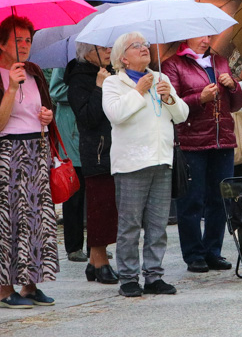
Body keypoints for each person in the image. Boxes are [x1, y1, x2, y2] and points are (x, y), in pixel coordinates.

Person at [0, 16, 58, 309]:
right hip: (9, 150)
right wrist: (10, 88)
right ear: (2, 44)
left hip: (37, 146)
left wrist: (47, 116)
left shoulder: (34, 72)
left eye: (28, 40)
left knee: (39, 218)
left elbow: (43, 109)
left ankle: (31, 284)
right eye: (18, 40)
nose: (24, 46)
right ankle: (4, 287)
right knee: (10, 217)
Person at [102, 32, 188, 297]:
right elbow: (116, 115)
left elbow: (181, 116)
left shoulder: (161, 78)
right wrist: (139, 91)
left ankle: (154, 276)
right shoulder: (114, 83)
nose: (143, 48)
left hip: (162, 159)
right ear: (122, 58)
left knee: (157, 224)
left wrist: (169, 98)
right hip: (131, 163)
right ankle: (128, 277)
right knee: (129, 226)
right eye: (135, 46)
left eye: (145, 45)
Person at [164, 35, 242, 273]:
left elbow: (236, 104)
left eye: (209, 36)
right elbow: (172, 105)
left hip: (223, 140)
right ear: (187, 37)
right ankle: (194, 253)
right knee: (192, 201)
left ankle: (213, 251)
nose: (206, 40)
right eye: (200, 36)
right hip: (192, 141)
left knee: (220, 199)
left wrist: (233, 86)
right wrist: (200, 98)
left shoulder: (220, 61)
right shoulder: (173, 64)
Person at [65, 42, 119, 285]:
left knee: (110, 207)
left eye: (110, 47)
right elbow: (87, 118)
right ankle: (100, 260)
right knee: (100, 207)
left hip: (115, 148)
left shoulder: (112, 73)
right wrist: (99, 88)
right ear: (87, 52)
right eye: (103, 48)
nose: (109, 51)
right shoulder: (79, 78)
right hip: (96, 151)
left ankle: (93, 263)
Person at [50, 67, 87, 262]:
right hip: (70, 129)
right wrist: (84, 90)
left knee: (95, 194)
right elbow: (55, 91)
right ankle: (74, 246)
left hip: (92, 129)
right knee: (73, 193)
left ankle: (96, 245)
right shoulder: (64, 63)